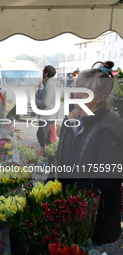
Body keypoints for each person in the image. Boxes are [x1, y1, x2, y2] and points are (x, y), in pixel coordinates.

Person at [53, 61, 123, 245]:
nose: (76, 94)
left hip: (94, 219)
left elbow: (105, 179)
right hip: (68, 213)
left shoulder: (111, 127)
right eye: (77, 87)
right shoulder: (73, 117)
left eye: (85, 92)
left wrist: (72, 202)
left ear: (101, 97)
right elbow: (60, 159)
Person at [35, 65, 58, 150]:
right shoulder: (49, 82)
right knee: (41, 135)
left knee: (44, 138)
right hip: (48, 115)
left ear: (46, 73)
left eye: (43, 72)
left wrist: (35, 102)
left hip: (47, 115)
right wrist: (40, 86)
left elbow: (46, 102)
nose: (42, 74)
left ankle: (46, 155)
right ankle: (46, 154)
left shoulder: (50, 84)